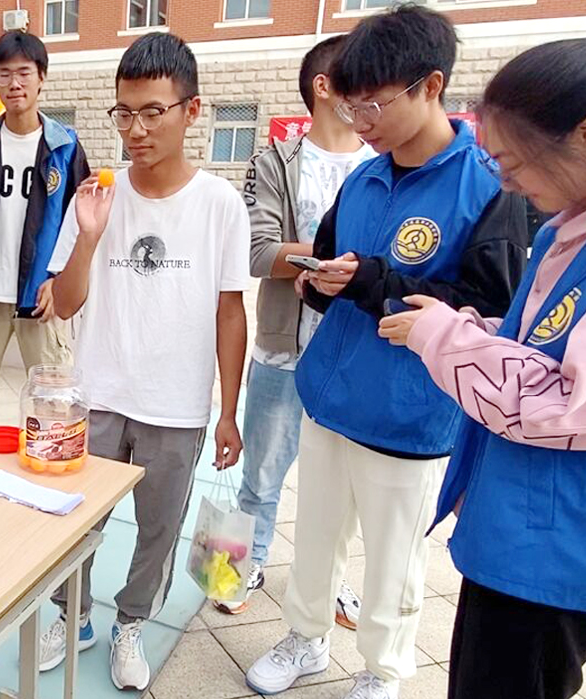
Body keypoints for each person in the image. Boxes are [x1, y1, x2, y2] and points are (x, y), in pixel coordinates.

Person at [377, 16, 586, 699]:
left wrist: (446, 338)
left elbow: (570, 404)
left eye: (514, 161)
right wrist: (472, 327)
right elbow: (549, 342)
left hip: (564, 542)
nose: (506, 182)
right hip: (527, 522)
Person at [245, 6, 531, 698]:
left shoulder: (487, 186)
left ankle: (383, 670)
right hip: (330, 396)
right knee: (315, 538)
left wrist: (376, 280)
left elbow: (492, 307)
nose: (360, 121)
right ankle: (305, 637)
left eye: (372, 104)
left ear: (431, 86)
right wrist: (321, 282)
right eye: (351, 105)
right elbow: (331, 266)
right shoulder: (364, 178)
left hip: (409, 416)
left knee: (394, 559)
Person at [39, 33, 250, 691]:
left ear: (192, 111)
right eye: (124, 113)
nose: (136, 129)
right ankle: (71, 614)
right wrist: (89, 237)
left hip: (176, 403)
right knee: (76, 519)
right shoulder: (97, 195)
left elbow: (230, 312)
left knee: (158, 530)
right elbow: (62, 302)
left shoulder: (220, 204)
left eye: (153, 112)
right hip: (98, 395)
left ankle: (131, 622)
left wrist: (229, 411)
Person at [221, 34, 375, 620]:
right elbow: (260, 254)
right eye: (360, 79)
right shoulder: (274, 163)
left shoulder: (381, 165)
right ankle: (238, 566)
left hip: (353, 355)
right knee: (260, 474)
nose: (371, 93)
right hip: (282, 350)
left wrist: (345, 267)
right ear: (324, 86)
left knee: (342, 487)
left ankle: (328, 580)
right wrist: (345, 262)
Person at [0, 31, 89, 469]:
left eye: (24, 73)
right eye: (4, 74)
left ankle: (52, 470)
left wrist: (59, 280)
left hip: (42, 298)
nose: (14, 83)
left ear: (42, 78)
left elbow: (81, 223)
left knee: (53, 398)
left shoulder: (65, 148)